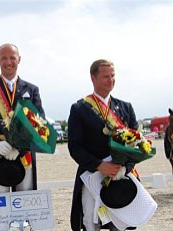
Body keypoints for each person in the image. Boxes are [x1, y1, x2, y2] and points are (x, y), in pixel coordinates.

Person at [67, 59, 138, 231]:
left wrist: (125, 168)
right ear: (93, 78)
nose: (110, 80)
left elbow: (136, 145)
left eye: (113, 76)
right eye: (106, 76)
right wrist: (100, 166)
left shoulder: (125, 108)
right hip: (92, 174)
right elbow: (75, 147)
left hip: (120, 175)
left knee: (120, 222)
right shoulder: (79, 108)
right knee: (90, 223)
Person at [0, 43, 45, 193]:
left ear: (19, 60)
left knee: (26, 208)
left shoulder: (32, 90)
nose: (8, 62)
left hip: (25, 157)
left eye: (12, 58)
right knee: (0, 210)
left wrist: (20, 148)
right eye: (4, 58)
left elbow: (40, 125)